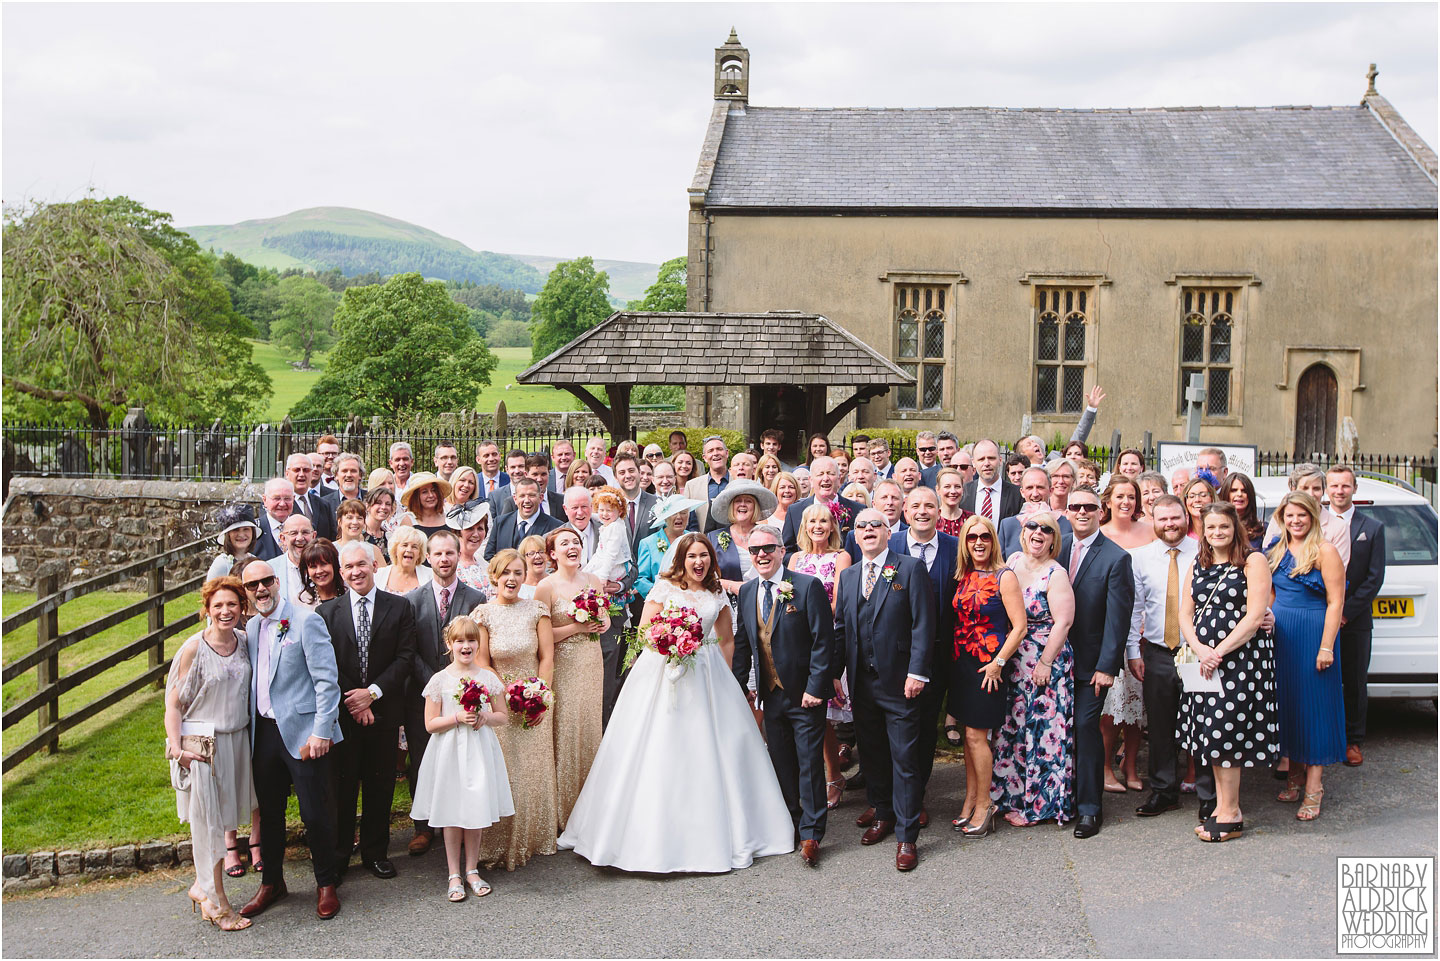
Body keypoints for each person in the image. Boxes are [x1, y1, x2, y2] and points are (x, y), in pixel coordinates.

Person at [558, 533, 795, 873]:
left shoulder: (717, 593)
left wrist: (725, 681)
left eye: (704, 556)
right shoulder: (664, 590)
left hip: (708, 674)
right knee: (656, 749)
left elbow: (726, 640)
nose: (698, 562)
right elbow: (642, 634)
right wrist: (670, 641)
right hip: (663, 671)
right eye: (692, 556)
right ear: (680, 560)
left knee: (716, 751)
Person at [237, 561, 343, 922]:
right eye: (252, 585)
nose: (261, 589)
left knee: (315, 811)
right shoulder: (250, 627)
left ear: (277, 582)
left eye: (266, 581)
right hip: (264, 734)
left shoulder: (305, 620)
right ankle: (272, 883)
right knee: (269, 815)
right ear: (246, 592)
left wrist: (321, 732)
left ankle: (326, 884)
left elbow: (327, 681)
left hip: (303, 734)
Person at [836, 509, 934, 872]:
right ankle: (883, 812)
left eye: (875, 525)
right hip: (862, 683)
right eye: (861, 527)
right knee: (873, 755)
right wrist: (835, 674)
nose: (867, 531)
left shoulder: (909, 568)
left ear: (888, 530)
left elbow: (924, 623)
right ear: (855, 536)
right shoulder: (848, 576)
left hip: (899, 683)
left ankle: (907, 836)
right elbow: (841, 628)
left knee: (904, 759)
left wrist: (917, 672)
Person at [731, 525, 835, 866]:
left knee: (808, 764)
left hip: (804, 695)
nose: (762, 555)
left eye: (768, 549)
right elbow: (745, 645)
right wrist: (741, 690)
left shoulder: (806, 586)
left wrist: (815, 689)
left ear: (781, 551)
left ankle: (812, 833)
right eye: (755, 550)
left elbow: (824, 642)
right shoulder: (747, 592)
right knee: (782, 764)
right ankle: (790, 823)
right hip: (770, 696)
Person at [1178, 503, 1279, 842]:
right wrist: (1200, 648)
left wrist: (1218, 651)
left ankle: (1232, 812)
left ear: (1235, 527)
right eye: (1211, 528)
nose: (1217, 532)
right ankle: (1221, 808)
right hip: (1205, 662)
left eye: (1224, 526)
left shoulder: (1253, 562)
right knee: (1211, 735)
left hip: (1240, 662)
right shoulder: (1198, 562)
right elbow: (1184, 613)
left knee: (1226, 734)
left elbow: (1254, 617)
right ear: (1203, 531)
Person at [318, 541, 418, 882]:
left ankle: (376, 853)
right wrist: (355, 700)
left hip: (384, 712)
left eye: (362, 564)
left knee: (380, 787)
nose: (356, 572)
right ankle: (340, 854)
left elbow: (405, 658)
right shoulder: (327, 613)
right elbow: (325, 663)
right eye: (349, 567)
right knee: (342, 788)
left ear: (374, 566)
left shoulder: (399, 608)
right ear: (341, 573)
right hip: (344, 716)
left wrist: (372, 694)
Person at [165, 577, 256, 931]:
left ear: (241, 607)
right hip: (203, 746)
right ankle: (218, 904)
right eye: (217, 605)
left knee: (227, 821)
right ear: (207, 609)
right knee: (210, 828)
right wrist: (176, 747)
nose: (225, 611)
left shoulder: (245, 642)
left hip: (236, 741)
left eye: (232, 604)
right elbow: (173, 704)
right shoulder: (193, 648)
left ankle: (201, 888)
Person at [408, 615, 513, 901]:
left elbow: (502, 716)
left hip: (478, 749)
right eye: (460, 641)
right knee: (452, 812)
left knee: (475, 810)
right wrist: (456, 717)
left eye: (471, 640)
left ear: (478, 644)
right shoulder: (440, 680)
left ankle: (472, 869)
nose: (466, 646)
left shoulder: (487, 677)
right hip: (449, 751)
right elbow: (430, 724)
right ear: (449, 644)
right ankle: (453, 872)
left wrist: (484, 716)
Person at [472, 549, 558, 869]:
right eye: (505, 572)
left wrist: (539, 696)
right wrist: (508, 694)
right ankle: (499, 842)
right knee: (507, 772)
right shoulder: (483, 613)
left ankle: (534, 838)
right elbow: (482, 662)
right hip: (501, 703)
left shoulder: (537, 609)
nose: (512, 579)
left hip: (535, 700)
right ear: (494, 576)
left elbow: (547, 657)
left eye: (518, 573)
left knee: (533, 770)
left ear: (525, 577)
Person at [402, 529, 485, 857]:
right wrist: (438, 683)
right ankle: (423, 827)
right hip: (424, 695)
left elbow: (478, 647)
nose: (444, 559)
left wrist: (456, 684)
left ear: (457, 555)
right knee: (422, 760)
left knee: (462, 761)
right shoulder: (411, 601)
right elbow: (409, 650)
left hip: (466, 693)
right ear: (428, 557)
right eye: (437, 554)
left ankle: (462, 820)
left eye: (450, 553)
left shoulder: (476, 598)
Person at [1127, 494, 1209, 822]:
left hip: (1197, 653)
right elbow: (1135, 609)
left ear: (1186, 518)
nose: (1170, 524)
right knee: (1160, 726)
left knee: (1203, 722)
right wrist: (1134, 651)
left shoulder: (1204, 552)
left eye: (1175, 518)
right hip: (1158, 652)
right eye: (1163, 519)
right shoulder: (1139, 558)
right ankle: (1163, 791)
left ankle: (1209, 794)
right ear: (1152, 519)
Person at [1059, 485, 1134, 839]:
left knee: (1085, 730)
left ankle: (1090, 809)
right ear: (1068, 511)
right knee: (1059, 732)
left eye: (1089, 506)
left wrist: (1107, 667)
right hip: (1053, 663)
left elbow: (1118, 621)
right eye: (1075, 506)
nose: (1082, 512)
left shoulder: (1116, 558)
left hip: (1092, 667)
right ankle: (1061, 799)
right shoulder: (1054, 544)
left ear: (1100, 512)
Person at [992, 511, 1075, 825]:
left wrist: (1045, 662)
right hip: (1013, 660)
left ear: (1053, 539)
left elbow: (1064, 621)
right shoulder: (1011, 561)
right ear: (1022, 532)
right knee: (1012, 730)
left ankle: (1039, 806)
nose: (1038, 533)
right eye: (1032, 527)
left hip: (1044, 662)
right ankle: (1009, 797)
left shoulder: (1056, 573)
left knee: (1041, 734)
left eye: (1046, 530)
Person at [1268, 492, 1346, 821]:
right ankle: (1295, 776)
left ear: (1313, 517)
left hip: (1314, 635)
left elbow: (1336, 602)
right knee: (1289, 706)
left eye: (1302, 515)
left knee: (1314, 710)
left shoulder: (1325, 551)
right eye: (1290, 515)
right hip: (1282, 636)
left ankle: (1314, 787)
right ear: (1282, 517)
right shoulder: (1275, 549)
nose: (1295, 521)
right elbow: (1270, 595)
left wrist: (1326, 645)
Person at [947, 515, 1026, 838]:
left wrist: (999, 662)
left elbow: (1019, 627)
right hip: (962, 665)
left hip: (988, 668)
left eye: (984, 537)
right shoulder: (963, 575)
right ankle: (970, 798)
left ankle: (985, 803)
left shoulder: (1004, 577)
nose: (978, 542)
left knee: (979, 737)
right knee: (968, 737)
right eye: (971, 537)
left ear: (993, 541)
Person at [535, 528, 610, 832]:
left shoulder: (593, 581)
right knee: (565, 730)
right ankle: (564, 811)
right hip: (562, 665)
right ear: (552, 554)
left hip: (592, 662)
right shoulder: (545, 587)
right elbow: (540, 636)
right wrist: (575, 628)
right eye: (564, 543)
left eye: (576, 542)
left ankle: (591, 809)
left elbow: (604, 615)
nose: (572, 547)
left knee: (590, 727)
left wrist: (602, 621)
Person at [892, 486, 959, 814]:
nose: (922, 511)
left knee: (924, 724)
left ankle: (915, 797)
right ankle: (888, 798)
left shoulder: (953, 547)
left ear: (938, 511)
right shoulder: (889, 544)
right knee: (889, 724)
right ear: (905, 511)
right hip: (893, 653)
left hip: (938, 654)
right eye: (915, 505)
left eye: (929, 506)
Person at [789, 501, 854, 809]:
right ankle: (831, 775)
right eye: (812, 520)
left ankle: (865, 774)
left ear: (832, 526)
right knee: (818, 715)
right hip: (801, 643)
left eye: (823, 521)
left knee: (838, 711)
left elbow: (839, 603)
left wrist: (808, 616)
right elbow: (784, 599)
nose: (817, 526)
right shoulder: (794, 559)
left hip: (829, 638)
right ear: (804, 526)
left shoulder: (841, 557)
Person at [1326, 465, 1386, 767]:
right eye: (1334, 485)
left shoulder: (1372, 528)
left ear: (1354, 489)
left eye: (1345, 486)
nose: (1339, 491)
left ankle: (1353, 741)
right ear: (1327, 489)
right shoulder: (1315, 524)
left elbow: (1374, 579)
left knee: (1353, 681)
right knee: (1321, 680)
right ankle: (1324, 738)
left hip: (1355, 620)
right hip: (1319, 617)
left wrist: (1345, 613)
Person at [1098, 476, 1150, 792]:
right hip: (1112, 629)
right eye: (1120, 496)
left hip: (1146, 628)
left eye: (1131, 496)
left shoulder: (1151, 531)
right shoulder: (1100, 534)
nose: (1126, 502)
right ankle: (1105, 768)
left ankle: (1130, 767)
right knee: (1111, 709)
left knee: (1137, 707)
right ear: (1108, 500)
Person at [1263, 463, 1351, 563]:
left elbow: (1338, 570)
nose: (1311, 494)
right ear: (1293, 489)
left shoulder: (1339, 527)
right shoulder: (1279, 520)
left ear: (1324, 491)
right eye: (1305, 488)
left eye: (1316, 488)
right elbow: (1267, 558)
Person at [781, 456, 864, 558]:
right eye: (820, 474)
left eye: (830, 473)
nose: (825, 478)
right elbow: (786, 552)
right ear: (811, 480)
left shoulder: (858, 510)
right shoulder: (795, 511)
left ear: (838, 479)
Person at [709, 480, 773, 596]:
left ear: (755, 507)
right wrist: (732, 586)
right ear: (731, 507)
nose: (742, 504)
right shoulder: (713, 538)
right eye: (738, 501)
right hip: (728, 603)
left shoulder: (769, 535)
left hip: (765, 598)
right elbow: (707, 578)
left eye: (748, 501)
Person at [637, 496, 701, 602]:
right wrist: (659, 594)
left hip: (692, 600)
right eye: (674, 513)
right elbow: (640, 579)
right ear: (665, 517)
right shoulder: (648, 543)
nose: (679, 517)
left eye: (684, 512)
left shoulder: (696, 539)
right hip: (661, 602)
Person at [999, 467, 1071, 558]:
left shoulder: (1067, 525)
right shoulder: (1008, 526)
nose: (1035, 494)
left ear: (1051, 491)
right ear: (1022, 492)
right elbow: (999, 566)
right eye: (1029, 488)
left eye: (1040, 487)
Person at [486, 476, 562, 560]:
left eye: (531, 495)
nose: (526, 500)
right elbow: (489, 557)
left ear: (540, 498)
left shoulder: (556, 528)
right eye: (522, 496)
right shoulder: (500, 523)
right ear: (515, 499)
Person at [960, 440, 1022, 525]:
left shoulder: (1017, 494)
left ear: (1000, 460)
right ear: (973, 463)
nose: (986, 463)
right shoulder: (963, 492)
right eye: (981, 459)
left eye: (991, 458)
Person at [683, 434, 732, 532]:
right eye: (710, 451)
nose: (715, 453)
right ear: (704, 458)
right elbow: (687, 521)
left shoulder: (739, 482)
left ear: (726, 453)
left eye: (719, 449)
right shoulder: (691, 486)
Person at [613, 453, 657, 559]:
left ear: (639, 473)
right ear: (615, 477)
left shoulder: (657, 504)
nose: (628, 475)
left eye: (631, 470)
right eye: (622, 472)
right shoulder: (610, 506)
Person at [285, 453, 337, 541]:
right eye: (297, 470)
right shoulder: (280, 505)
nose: (301, 474)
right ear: (287, 474)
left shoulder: (323, 504)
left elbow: (331, 537)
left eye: (306, 470)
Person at [449, 501, 493, 599]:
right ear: (458, 531)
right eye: (470, 529)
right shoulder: (451, 564)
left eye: (480, 529)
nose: (476, 534)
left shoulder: (484, 564)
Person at [208, 504, 261, 581]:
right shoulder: (222, 563)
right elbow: (210, 591)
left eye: (246, 529)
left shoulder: (254, 559)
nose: (241, 535)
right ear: (228, 535)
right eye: (236, 530)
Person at [377, 526, 433, 594]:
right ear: (395, 550)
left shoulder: (430, 576)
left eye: (414, 547)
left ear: (419, 553)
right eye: (405, 545)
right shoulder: (378, 575)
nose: (409, 550)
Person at [1219, 472, 1265, 550]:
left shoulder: (1262, 529)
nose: (1239, 494)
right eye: (1234, 490)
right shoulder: (1215, 528)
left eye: (1244, 491)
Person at [253, 479, 295, 562]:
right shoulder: (253, 531)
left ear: (293, 499)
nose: (282, 504)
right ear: (264, 500)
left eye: (287, 498)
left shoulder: (304, 528)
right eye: (276, 498)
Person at [400, 472, 452, 539]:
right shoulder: (409, 520)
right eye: (424, 492)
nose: (431, 495)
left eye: (433, 490)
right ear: (416, 497)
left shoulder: (448, 517)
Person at [297, 540, 343, 611]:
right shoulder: (302, 602)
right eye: (313, 566)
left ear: (334, 565)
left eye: (324, 564)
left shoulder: (349, 595)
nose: (319, 571)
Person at [934, 467, 973, 538]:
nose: (953, 491)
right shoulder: (931, 519)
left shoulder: (971, 519)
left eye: (957, 486)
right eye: (947, 486)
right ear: (938, 490)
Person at [361, 488, 396, 565]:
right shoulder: (359, 533)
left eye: (388, 504)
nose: (383, 507)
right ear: (368, 506)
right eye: (378, 503)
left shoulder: (389, 536)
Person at [1180, 476, 1215, 540]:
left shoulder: (1219, 532)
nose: (1197, 500)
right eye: (1191, 496)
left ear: (1212, 498)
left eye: (1203, 495)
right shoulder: (1181, 533)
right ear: (1185, 501)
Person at [518, 534, 549, 599]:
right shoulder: (517, 587)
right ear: (523, 558)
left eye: (541, 552)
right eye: (531, 553)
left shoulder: (555, 582)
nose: (538, 556)